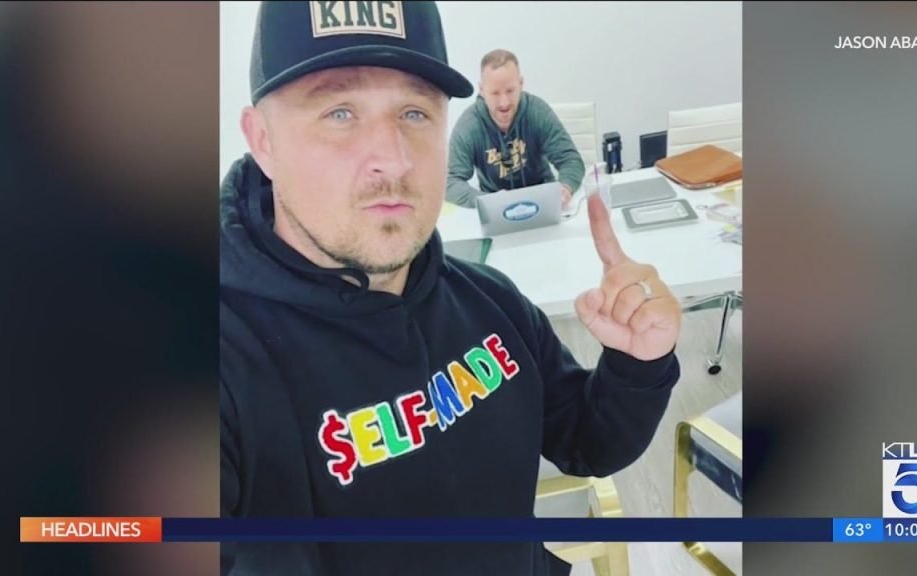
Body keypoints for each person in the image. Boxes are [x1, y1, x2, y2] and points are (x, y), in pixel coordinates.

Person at [220, 2, 682, 575]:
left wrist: (637, 365)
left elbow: (588, 441)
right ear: (262, 140)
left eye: (415, 112)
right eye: (340, 112)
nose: (393, 160)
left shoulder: (490, 302)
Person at [445, 49, 586, 209]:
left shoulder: (538, 112)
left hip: (544, 203)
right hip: (495, 209)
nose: (504, 103)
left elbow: (570, 160)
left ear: (521, 84)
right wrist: (487, 201)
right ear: (482, 90)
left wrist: (565, 188)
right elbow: (450, 182)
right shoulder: (469, 126)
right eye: (495, 93)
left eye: (510, 91)